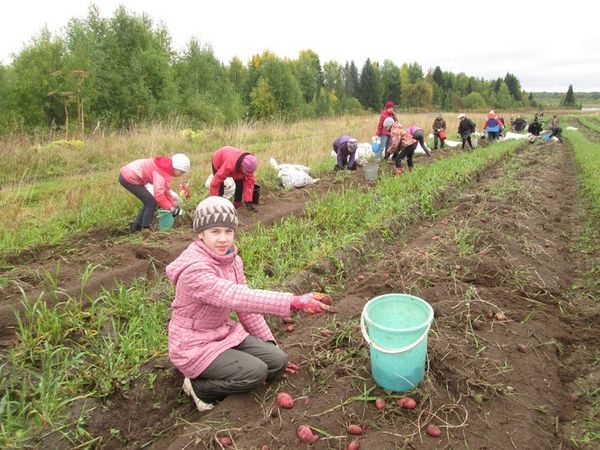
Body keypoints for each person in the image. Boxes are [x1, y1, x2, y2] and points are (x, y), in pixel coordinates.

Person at [166, 196, 332, 411]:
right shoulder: (195, 270)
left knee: (278, 362)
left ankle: (247, 364)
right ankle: (199, 388)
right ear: (201, 234)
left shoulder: (232, 259)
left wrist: (269, 346)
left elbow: (246, 308)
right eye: (214, 232)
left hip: (222, 333)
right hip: (194, 345)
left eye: (228, 231)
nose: (223, 239)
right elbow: (237, 296)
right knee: (255, 373)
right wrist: (294, 301)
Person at [119, 153, 190, 233]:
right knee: (151, 202)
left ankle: (135, 228)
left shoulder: (167, 169)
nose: (181, 175)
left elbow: (166, 191)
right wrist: (171, 208)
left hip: (132, 175)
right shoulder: (161, 173)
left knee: (148, 202)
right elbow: (159, 196)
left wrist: (171, 206)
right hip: (129, 177)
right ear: (176, 168)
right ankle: (146, 229)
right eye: (182, 172)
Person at [210, 146, 259, 212]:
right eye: (247, 172)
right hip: (219, 159)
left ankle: (237, 204)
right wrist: (214, 200)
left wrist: (248, 201)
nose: (248, 174)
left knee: (240, 181)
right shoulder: (230, 166)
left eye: (250, 172)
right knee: (220, 187)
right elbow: (215, 183)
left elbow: (249, 183)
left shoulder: (249, 165)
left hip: (233, 158)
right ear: (242, 166)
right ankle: (218, 206)